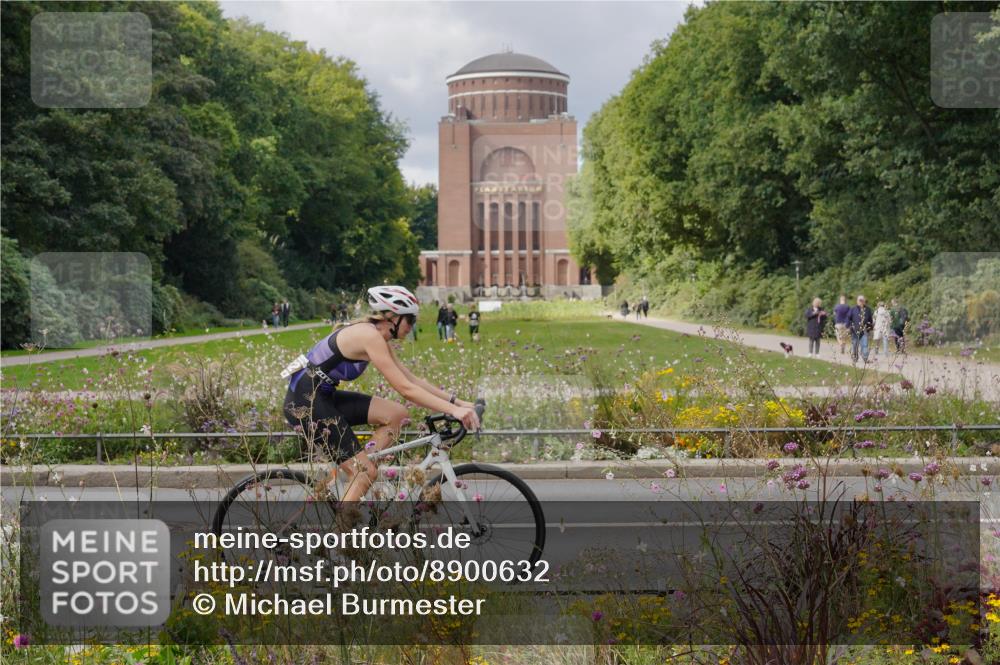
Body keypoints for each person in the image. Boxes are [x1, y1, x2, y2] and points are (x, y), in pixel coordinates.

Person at [283, 285, 480, 503]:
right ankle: (341, 530)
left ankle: (360, 475)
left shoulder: (376, 335)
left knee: (396, 414)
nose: (412, 327)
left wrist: (460, 403)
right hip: (305, 404)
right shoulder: (369, 336)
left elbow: (412, 379)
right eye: (410, 320)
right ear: (393, 317)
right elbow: (406, 389)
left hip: (322, 397)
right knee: (365, 473)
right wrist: (454, 411)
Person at [846, 295, 874, 363]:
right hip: (855, 330)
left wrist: (871, 328)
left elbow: (870, 320)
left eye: (862, 300)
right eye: (860, 300)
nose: (861, 302)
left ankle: (865, 358)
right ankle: (855, 358)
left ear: (864, 301)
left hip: (864, 330)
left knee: (865, 345)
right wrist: (848, 327)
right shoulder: (853, 309)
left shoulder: (868, 309)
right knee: (855, 345)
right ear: (857, 301)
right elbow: (848, 318)